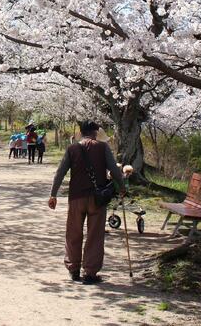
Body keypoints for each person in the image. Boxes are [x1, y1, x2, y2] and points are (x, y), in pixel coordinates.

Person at [48, 119, 126, 285]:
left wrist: (53, 194)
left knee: (73, 233)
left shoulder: (72, 148)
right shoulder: (102, 147)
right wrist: (122, 187)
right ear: (95, 132)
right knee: (95, 235)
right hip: (97, 198)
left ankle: (74, 269)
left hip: (76, 197)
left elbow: (60, 172)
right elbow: (114, 170)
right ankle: (90, 273)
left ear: (80, 132)